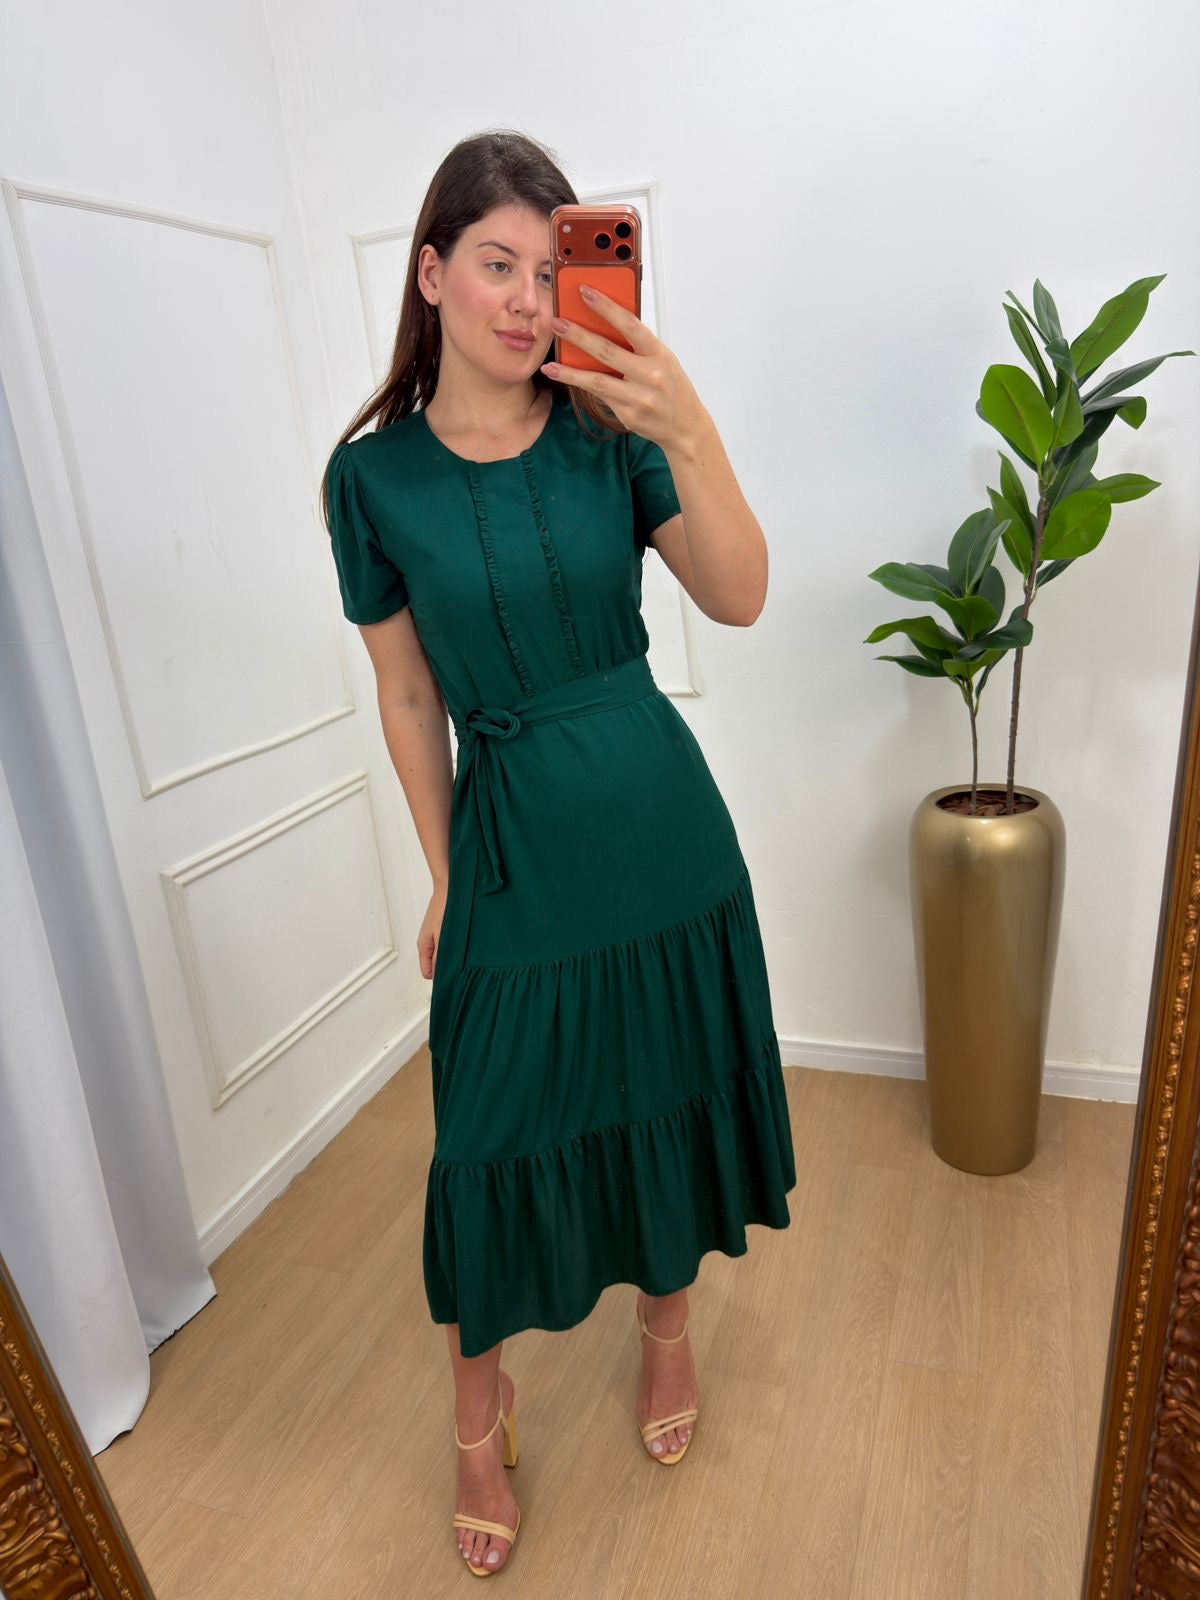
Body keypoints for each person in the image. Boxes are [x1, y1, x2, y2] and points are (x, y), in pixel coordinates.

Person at [321, 129, 796, 1577]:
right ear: (431, 274)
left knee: (659, 1085)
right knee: (486, 1139)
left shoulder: (612, 434)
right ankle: (479, 1418)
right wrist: (445, 872)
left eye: (552, 270)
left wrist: (687, 426)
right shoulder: (371, 481)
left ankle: (667, 1332)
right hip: (513, 844)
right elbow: (410, 694)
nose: (530, 302)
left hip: (659, 828)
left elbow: (741, 597)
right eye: (498, 265)